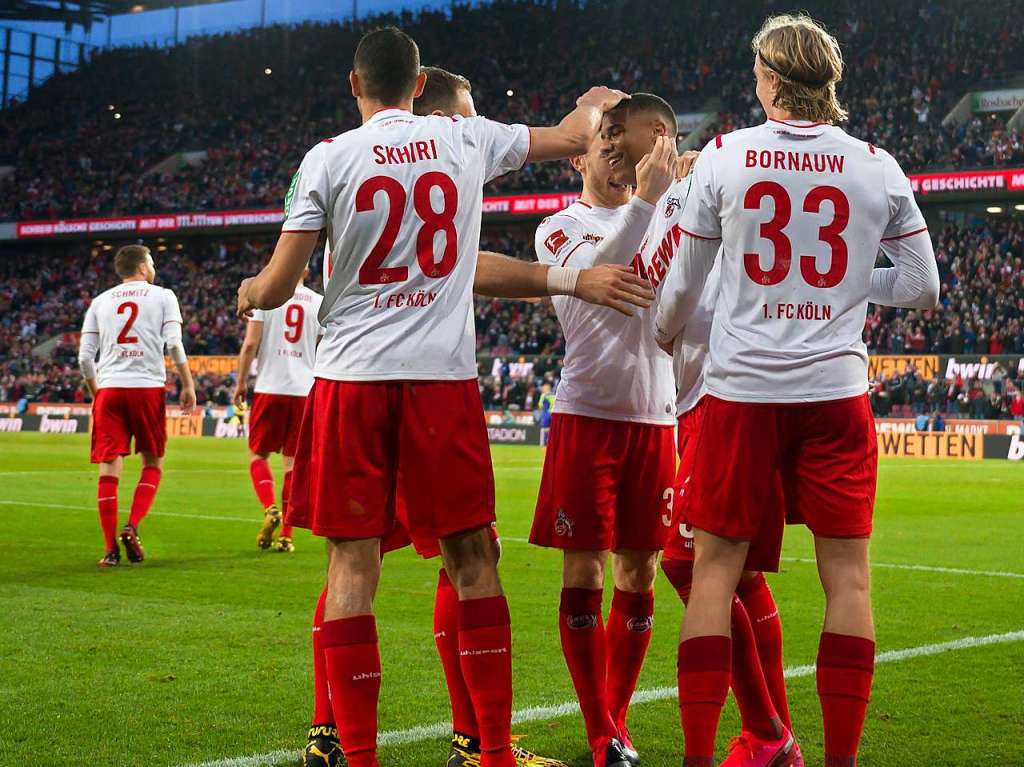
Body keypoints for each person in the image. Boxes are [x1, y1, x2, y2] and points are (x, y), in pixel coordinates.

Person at [236, 27, 627, 767]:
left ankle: (353, 751)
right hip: (440, 381)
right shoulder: (462, 140)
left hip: (350, 381)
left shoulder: (326, 158)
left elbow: (282, 285)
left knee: (352, 569)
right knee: (474, 558)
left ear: (355, 86)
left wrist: (252, 290)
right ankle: (494, 755)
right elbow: (574, 133)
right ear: (421, 88)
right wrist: (595, 104)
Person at [654, 14, 939, 767]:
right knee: (848, 577)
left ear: (774, 79)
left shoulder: (724, 156)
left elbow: (683, 290)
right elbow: (922, 287)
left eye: (758, 73)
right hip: (835, 390)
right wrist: (848, 288)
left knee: (714, 571)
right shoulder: (878, 164)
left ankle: (695, 756)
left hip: (743, 393)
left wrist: (663, 331)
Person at [530, 94, 678, 767]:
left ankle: (614, 722)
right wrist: (649, 203)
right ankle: (600, 732)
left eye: (628, 142)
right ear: (580, 157)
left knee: (640, 571)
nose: (617, 153)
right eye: (605, 142)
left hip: (657, 416)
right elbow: (604, 278)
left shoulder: (667, 216)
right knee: (584, 567)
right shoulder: (559, 227)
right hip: (587, 414)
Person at [78, 244, 197, 567]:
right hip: (146, 388)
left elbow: (85, 358)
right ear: (143, 267)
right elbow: (173, 343)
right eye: (153, 262)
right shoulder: (164, 296)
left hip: (111, 389)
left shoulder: (100, 302)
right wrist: (187, 383)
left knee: (108, 467)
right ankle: (131, 526)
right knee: (153, 462)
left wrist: (96, 392)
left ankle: (109, 550)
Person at [233, 268, 323, 553]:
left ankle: (270, 508)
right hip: (303, 390)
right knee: (292, 464)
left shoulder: (268, 297)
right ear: (306, 270)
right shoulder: (319, 302)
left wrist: (240, 384)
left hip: (270, 386)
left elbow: (250, 345)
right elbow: (324, 349)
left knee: (258, 454)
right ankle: (286, 536)